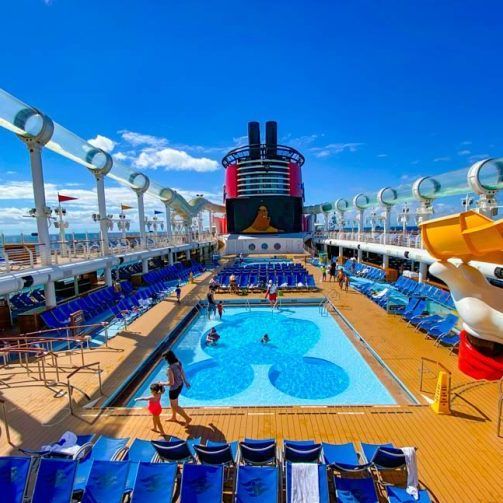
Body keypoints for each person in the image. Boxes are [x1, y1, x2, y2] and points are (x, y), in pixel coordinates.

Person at [159, 351, 191, 424]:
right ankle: (174, 417)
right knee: (172, 404)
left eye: (165, 359)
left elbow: (171, 382)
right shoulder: (178, 363)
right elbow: (182, 372)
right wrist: (185, 381)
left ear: (168, 359)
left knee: (175, 406)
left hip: (174, 389)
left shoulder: (170, 368)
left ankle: (187, 418)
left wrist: (162, 383)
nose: (165, 360)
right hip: (180, 384)